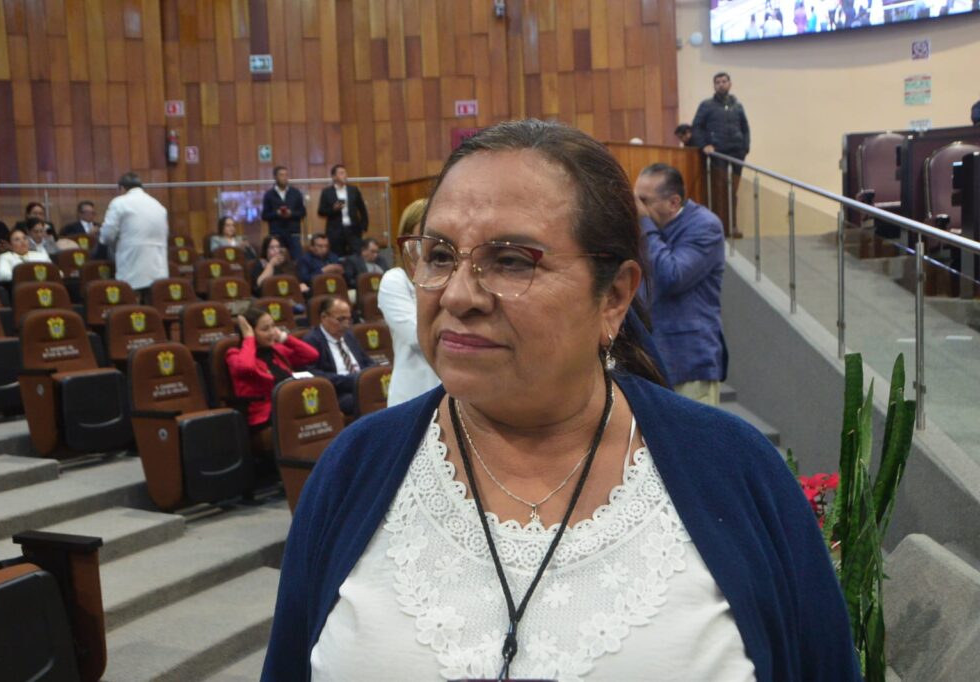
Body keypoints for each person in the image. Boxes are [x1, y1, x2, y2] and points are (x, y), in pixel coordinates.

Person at [262, 120, 860, 681]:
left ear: (614, 297)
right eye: (440, 255)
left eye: (510, 260)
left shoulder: (735, 471)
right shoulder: (354, 471)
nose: (459, 295)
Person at [634, 163, 727, 405]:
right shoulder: (647, 229)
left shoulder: (705, 226)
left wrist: (645, 225)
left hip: (689, 363)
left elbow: (672, 276)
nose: (637, 208)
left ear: (674, 203)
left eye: (644, 200)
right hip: (649, 362)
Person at [226, 306, 320, 453]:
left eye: (273, 327)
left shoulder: (277, 351)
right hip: (263, 416)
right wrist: (249, 338)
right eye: (265, 329)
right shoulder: (234, 355)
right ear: (250, 332)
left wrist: (284, 338)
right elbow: (247, 367)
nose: (271, 332)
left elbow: (312, 355)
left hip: (289, 407)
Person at [379, 199, 441, 407]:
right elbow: (417, 336)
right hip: (412, 391)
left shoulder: (447, 275)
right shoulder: (395, 279)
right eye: (423, 232)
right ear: (407, 238)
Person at [692, 72, 751, 237]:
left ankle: (733, 227)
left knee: (733, 192)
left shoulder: (737, 106)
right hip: (718, 154)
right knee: (720, 192)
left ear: (730, 84)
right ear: (714, 85)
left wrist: (745, 147)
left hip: (737, 153)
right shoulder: (706, 105)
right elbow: (696, 127)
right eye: (717, 82)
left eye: (724, 81)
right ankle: (720, 228)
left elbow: (745, 128)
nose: (721, 84)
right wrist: (704, 145)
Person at [99, 172, 169, 300]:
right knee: (154, 306)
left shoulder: (119, 202)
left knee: (132, 307)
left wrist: (109, 243)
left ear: (121, 188)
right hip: (158, 268)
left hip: (132, 264)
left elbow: (107, 235)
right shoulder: (158, 205)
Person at [301, 296, 374, 415]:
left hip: (362, 386)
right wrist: (351, 380)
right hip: (338, 393)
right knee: (364, 401)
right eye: (341, 319)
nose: (346, 325)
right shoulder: (312, 340)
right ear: (324, 317)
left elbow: (367, 361)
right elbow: (313, 373)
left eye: (348, 319)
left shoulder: (349, 336)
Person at [317, 164, 369, 257]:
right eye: (341, 173)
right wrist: (333, 209)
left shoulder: (353, 190)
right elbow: (321, 211)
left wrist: (363, 226)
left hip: (353, 230)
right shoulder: (327, 192)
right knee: (337, 256)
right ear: (334, 177)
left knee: (357, 256)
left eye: (345, 173)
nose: (345, 175)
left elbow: (362, 209)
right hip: (335, 231)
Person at [261, 165, 306, 261]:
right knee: (278, 260)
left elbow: (302, 212)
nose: (284, 178)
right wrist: (277, 213)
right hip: (276, 234)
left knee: (298, 260)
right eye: (281, 175)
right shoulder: (269, 195)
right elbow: (264, 215)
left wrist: (291, 213)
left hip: (293, 233)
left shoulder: (296, 193)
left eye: (286, 175)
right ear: (275, 177)